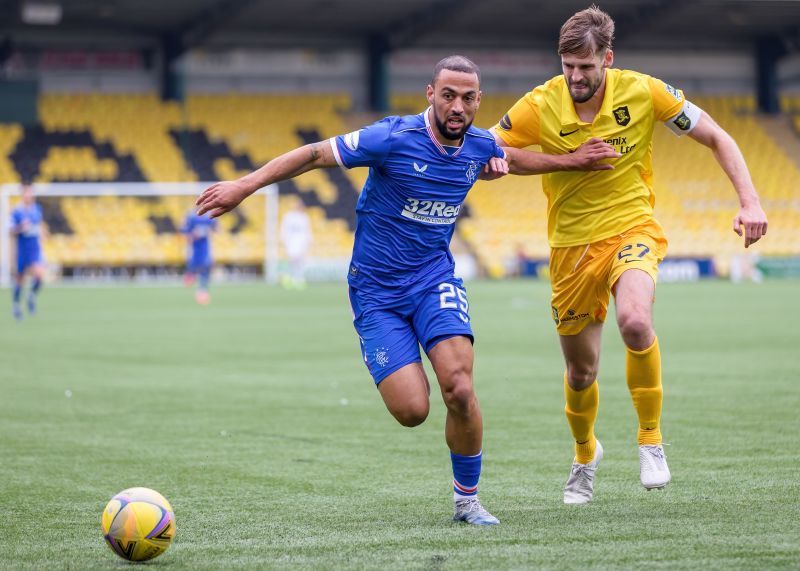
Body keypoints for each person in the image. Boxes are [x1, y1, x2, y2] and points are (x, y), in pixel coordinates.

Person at [196, 55, 619, 524]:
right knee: (412, 410)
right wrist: (244, 186)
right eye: (448, 96)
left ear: (479, 100)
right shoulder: (392, 137)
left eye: (468, 98)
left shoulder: (479, 146)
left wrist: (574, 162)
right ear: (430, 94)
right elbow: (315, 154)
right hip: (376, 293)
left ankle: (468, 501)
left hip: (434, 280)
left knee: (459, 387)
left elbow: (516, 159)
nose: (458, 106)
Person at [490, 6, 768, 504]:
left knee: (636, 321)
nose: (575, 76)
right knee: (581, 373)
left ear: (608, 59)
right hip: (571, 248)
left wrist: (749, 201)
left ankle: (651, 440)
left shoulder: (644, 91)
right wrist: (566, 162)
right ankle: (584, 454)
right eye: (567, 66)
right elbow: (490, 153)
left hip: (631, 229)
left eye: (586, 67)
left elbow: (717, 137)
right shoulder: (538, 104)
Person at [11, 184, 47, 321]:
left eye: (31, 194)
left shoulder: (37, 209)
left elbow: (39, 225)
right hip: (22, 249)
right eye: (27, 194)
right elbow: (10, 230)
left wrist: (43, 233)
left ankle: (31, 296)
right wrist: (20, 228)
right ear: (23, 195)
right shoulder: (16, 211)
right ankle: (16, 306)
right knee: (20, 279)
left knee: (39, 276)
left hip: (34, 249)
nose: (30, 196)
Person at [182, 209, 217, 305]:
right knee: (193, 266)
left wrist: (210, 230)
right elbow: (184, 230)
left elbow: (216, 228)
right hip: (194, 248)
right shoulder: (191, 217)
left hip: (205, 248)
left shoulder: (209, 217)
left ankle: (202, 292)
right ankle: (190, 277)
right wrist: (192, 235)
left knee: (205, 268)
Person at [279, 196, 313, 289]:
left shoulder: (304, 217)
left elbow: (307, 230)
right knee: (293, 259)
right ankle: (289, 277)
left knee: (300, 260)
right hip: (291, 241)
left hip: (301, 241)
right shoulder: (289, 216)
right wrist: (284, 239)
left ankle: (299, 278)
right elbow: (284, 229)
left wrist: (309, 240)